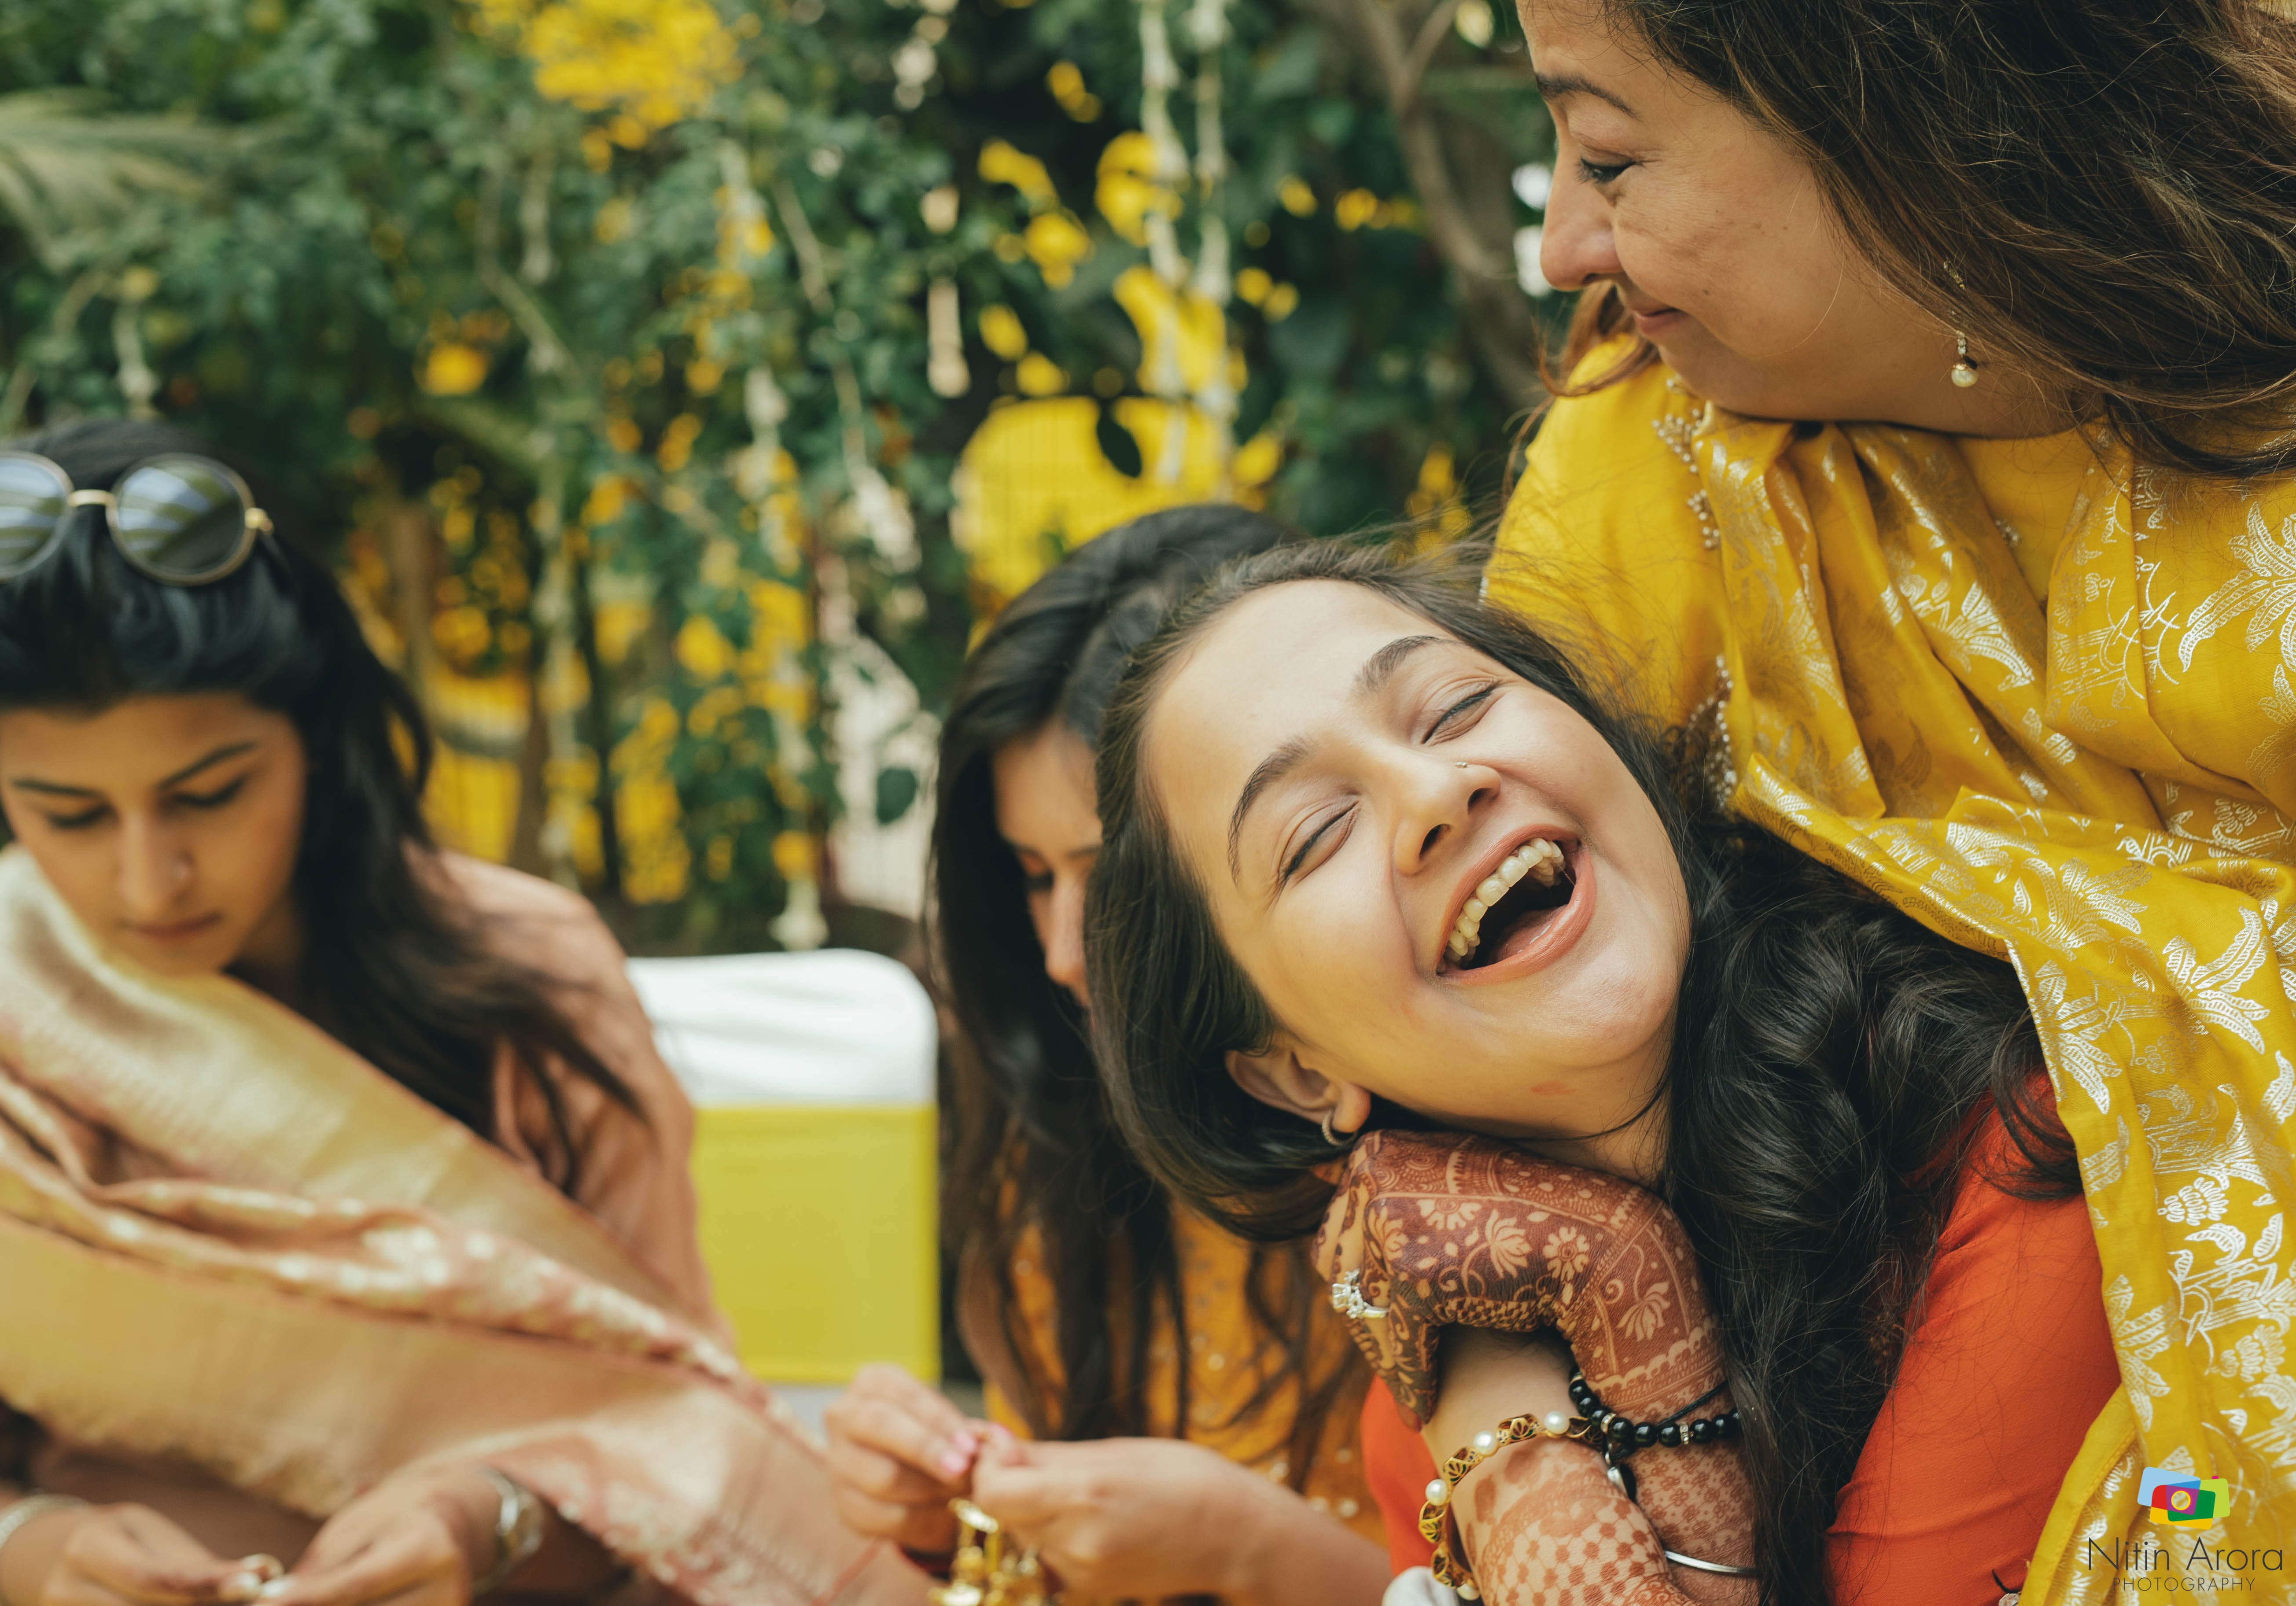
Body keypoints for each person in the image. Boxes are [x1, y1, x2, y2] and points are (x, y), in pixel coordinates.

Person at [1467, 0, 2296, 1595]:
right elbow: (1448, 1065)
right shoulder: (1655, 464)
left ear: (1900, 118)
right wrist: (1516, 1454)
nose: (1567, 246)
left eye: (1609, 158)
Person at [0, 421, 922, 1606]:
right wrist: (29, 1557)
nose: (150, 879)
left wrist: (484, 1522)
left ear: (316, 738)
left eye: (211, 794)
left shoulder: (529, 985)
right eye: (69, 815)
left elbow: (674, 1440)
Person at [1084, 539, 2134, 1603]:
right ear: (1298, 1075)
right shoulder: (1429, 1422)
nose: (1439, 790)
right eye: (1317, 833)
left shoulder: (2020, 1142)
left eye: (1454, 709)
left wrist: (1610, 1341)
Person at [822, 508, 1385, 1602]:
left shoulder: (1496, 1192)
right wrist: (953, 1519)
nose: (1061, 954)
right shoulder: (1059, 1140)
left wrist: (1257, 1554)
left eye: (1109, 877)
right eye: (1035, 877)